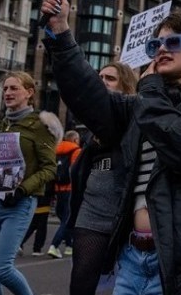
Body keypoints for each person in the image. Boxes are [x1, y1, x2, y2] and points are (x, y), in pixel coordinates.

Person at [41, 0, 181, 295]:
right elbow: (89, 96)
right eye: (155, 44)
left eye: (174, 42)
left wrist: (149, 88)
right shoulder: (142, 103)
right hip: (132, 260)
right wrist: (62, 33)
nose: (161, 49)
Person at [66, 61, 137, 295]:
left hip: (127, 217)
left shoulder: (136, 120)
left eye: (110, 79)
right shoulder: (91, 131)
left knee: (125, 286)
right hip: (91, 214)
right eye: (100, 77)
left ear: (126, 87)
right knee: (81, 281)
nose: (103, 82)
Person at [0, 72, 58, 295]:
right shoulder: (0, 125)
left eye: (14, 88)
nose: (7, 93)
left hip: (20, 203)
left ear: (29, 93)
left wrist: (22, 190)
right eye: (6, 88)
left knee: (0, 268)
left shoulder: (40, 126)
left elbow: (50, 168)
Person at [46, 130, 82, 259]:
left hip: (58, 188)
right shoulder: (76, 151)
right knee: (67, 219)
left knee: (63, 216)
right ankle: (54, 245)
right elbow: (77, 172)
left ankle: (69, 245)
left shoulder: (56, 151)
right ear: (75, 140)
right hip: (70, 189)